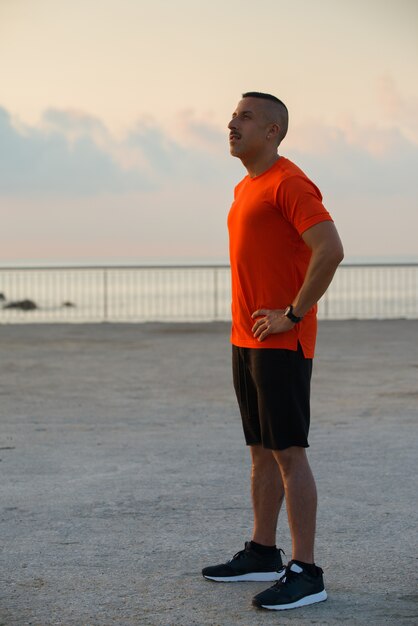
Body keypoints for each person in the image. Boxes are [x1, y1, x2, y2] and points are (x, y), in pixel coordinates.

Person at [202, 92, 344, 611]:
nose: (231, 123)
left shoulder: (289, 183)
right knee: (260, 451)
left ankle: (307, 571)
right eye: (233, 115)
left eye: (244, 117)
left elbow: (330, 249)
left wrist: (294, 312)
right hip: (246, 340)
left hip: (281, 341)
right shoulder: (245, 187)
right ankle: (263, 551)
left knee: (288, 452)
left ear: (273, 132)